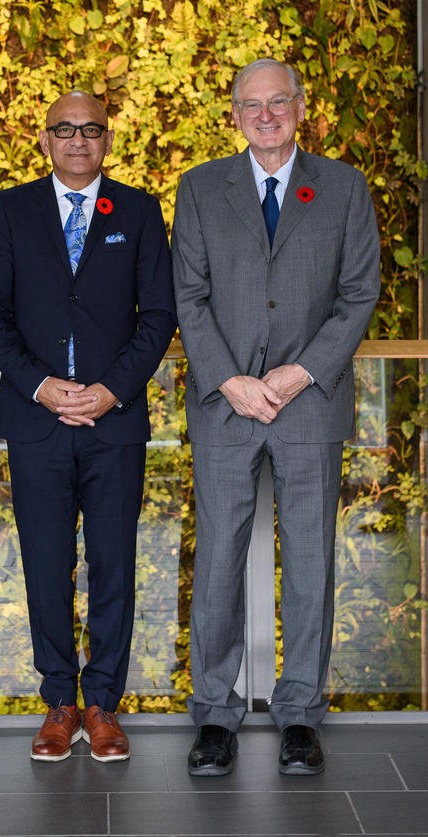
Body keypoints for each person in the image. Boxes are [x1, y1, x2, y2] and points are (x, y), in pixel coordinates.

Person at [172, 58, 380, 776]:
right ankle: (215, 716)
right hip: (225, 406)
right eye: (252, 105)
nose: (266, 114)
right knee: (220, 562)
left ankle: (299, 713)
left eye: (278, 102)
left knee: (311, 563)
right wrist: (229, 379)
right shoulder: (200, 189)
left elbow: (359, 294)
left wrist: (295, 374)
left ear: (300, 105)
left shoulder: (346, 187)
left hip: (308, 403)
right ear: (234, 114)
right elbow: (188, 297)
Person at [0, 91, 177, 762]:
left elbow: (158, 316)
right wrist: (39, 384)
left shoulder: (141, 211)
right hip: (37, 418)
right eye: (65, 129)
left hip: (113, 421)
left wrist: (111, 389)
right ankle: (59, 702)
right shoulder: (11, 209)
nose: (78, 139)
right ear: (44, 139)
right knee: (46, 562)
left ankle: (103, 705)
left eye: (91, 128)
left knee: (114, 561)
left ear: (107, 139)